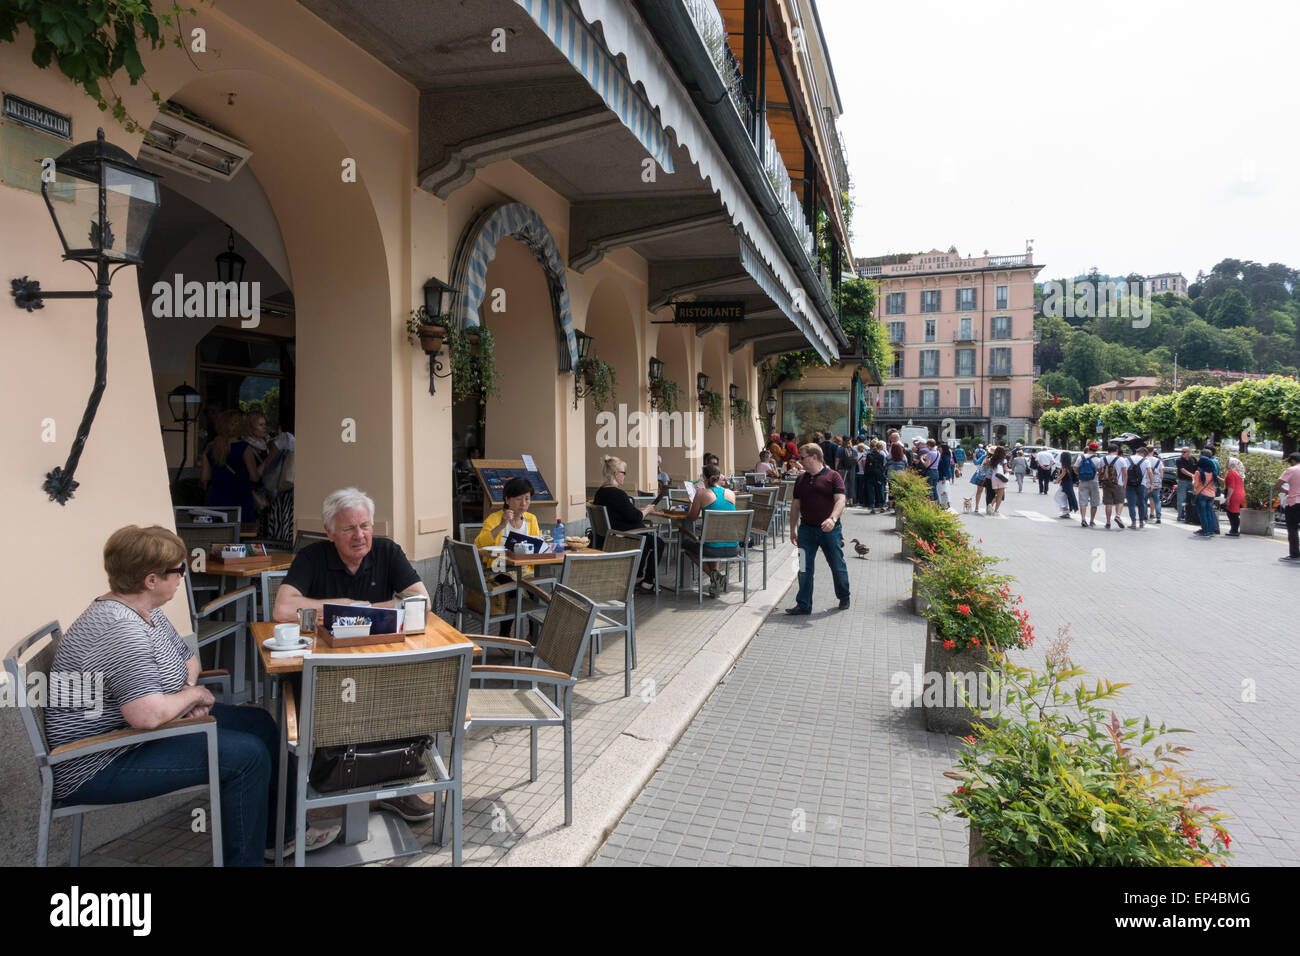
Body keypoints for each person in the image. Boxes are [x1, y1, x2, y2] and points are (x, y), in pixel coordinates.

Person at [46, 525, 337, 866]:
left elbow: (188, 657)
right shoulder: (120, 629)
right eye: (178, 571)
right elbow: (147, 715)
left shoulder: (145, 610)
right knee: (247, 757)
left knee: (260, 723)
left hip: (139, 736)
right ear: (150, 580)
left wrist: (184, 698)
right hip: (99, 761)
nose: (184, 576)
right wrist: (190, 697)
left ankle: (281, 837)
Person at [276, 487, 430, 621]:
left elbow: (422, 601)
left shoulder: (388, 552)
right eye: (349, 529)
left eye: (364, 526)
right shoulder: (310, 557)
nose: (359, 535)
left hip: (378, 645)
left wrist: (364, 610)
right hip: (327, 648)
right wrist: (347, 606)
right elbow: (282, 610)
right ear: (330, 532)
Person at [786, 444, 850, 615]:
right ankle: (804, 604)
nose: (800, 461)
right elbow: (795, 505)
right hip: (806, 530)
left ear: (814, 457)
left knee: (837, 565)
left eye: (802, 457)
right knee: (804, 568)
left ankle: (844, 596)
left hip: (830, 530)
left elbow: (840, 501)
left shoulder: (833, 476)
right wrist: (793, 530)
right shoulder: (801, 479)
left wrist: (832, 518)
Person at [593, 455, 663, 592]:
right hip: (621, 538)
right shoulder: (618, 494)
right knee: (657, 542)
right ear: (616, 474)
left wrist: (640, 511)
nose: (624, 476)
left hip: (608, 536)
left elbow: (623, 513)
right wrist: (647, 510)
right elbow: (636, 517)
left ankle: (637, 576)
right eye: (624, 473)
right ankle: (647, 583)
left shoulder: (600, 493)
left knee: (646, 538)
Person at [681, 464, 739, 598]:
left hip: (712, 548)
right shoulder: (731, 494)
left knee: (686, 545)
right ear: (719, 478)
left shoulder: (701, 494)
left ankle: (714, 577)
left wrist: (692, 503)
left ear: (704, 478)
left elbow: (692, 517)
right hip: (733, 547)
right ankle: (716, 578)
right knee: (712, 540)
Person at [200, 410, 261, 531]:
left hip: (217, 500)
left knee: (218, 536)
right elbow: (254, 477)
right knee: (241, 537)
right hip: (241, 500)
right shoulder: (244, 448)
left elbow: (204, 479)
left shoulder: (210, 448)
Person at [1273, 452, 1300, 562]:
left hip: (1293, 502)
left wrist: (1286, 491)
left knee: (1293, 528)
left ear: (1293, 461)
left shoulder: (1291, 470)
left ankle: (1294, 554)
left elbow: (1278, 485)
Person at [1099, 443, 1128, 529]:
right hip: (1118, 483)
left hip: (1106, 483)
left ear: (1108, 450)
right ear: (1117, 451)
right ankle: (1117, 516)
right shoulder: (1121, 459)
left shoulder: (1102, 459)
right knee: (1120, 501)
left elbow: (1100, 471)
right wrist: (1125, 483)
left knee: (1108, 503)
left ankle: (1108, 522)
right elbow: (1124, 473)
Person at [1192, 448, 1220, 537]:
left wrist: (1193, 479)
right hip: (1211, 495)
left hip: (1202, 494)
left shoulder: (1198, 473)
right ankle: (1211, 530)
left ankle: (1205, 530)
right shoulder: (1213, 473)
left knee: (1203, 513)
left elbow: (1195, 485)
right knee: (1209, 513)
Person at [1075, 441, 1102, 527]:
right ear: (1096, 450)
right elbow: (1100, 471)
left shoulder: (1081, 457)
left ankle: (1083, 519)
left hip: (1083, 481)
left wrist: (1080, 474)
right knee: (1094, 501)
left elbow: (1075, 468)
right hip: (1094, 481)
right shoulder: (1098, 459)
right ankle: (1092, 520)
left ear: (1088, 448)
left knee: (1083, 500)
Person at [863, 439, 887, 513]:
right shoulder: (881, 456)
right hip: (878, 475)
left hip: (869, 474)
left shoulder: (868, 455)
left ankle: (872, 506)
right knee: (879, 490)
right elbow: (884, 465)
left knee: (871, 491)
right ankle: (882, 506)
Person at [1175, 446, 1198, 522]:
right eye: (1182, 452)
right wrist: (1192, 475)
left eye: (1184, 452)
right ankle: (1180, 515)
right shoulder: (1179, 460)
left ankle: (1189, 515)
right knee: (1182, 499)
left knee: (1192, 499)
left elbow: (1197, 469)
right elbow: (1182, 470)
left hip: (1192, 482)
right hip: (1183, 481)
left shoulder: (1193, 459)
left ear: (1189, 452)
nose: (1182, 453)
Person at [1224, 456, 1245, 536]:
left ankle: (1234, 530)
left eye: (1227, 462)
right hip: (1240, 493)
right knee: (1234, 512)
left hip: (1234, 494)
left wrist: (1228, 498)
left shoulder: (1231, 473)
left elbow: (1231, 487)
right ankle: (1234, 529)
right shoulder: (1237, 472)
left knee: (1232, 513)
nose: (1226, 464)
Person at [1144, 448, 1165, 524]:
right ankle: (1158, 517)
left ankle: (1144, 516)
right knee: (1157, 501)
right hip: (1156, 483)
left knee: (1144, 500)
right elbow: (1161, 472)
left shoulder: (1144, 460)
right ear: (1153, 451)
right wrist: (1160, 480)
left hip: (1146, 483)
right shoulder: (1158, 461)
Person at [986, 446, 1009, 515]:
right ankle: (995, 510)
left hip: (994, 478)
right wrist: (1010, 471)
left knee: (996, 494)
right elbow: (1005, 470)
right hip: (1001, 478)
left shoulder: (991, 459)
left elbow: (987, 467)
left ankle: (990, 505)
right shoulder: (1003, 460)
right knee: (1000, 496)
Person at [1056, 450, 1078, 517]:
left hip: (1065, 483)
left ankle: (1065, 510)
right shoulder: (1070, 464)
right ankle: (1066, 510)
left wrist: (1057, 480)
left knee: (1058, 497)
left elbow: (1063, 473)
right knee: (1065, 497)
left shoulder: (1064, 465)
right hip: (1069, 483)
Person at [936, 441, 954, 511]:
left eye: (940, 447)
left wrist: (944, 477)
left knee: (943, 491)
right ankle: (944, 504)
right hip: (942, 475)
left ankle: (945, 505)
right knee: (942, 490)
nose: (938, 448)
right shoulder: (942, 455)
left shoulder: (946, 457)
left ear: (943, 448)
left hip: (943, 476)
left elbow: (946, 467)